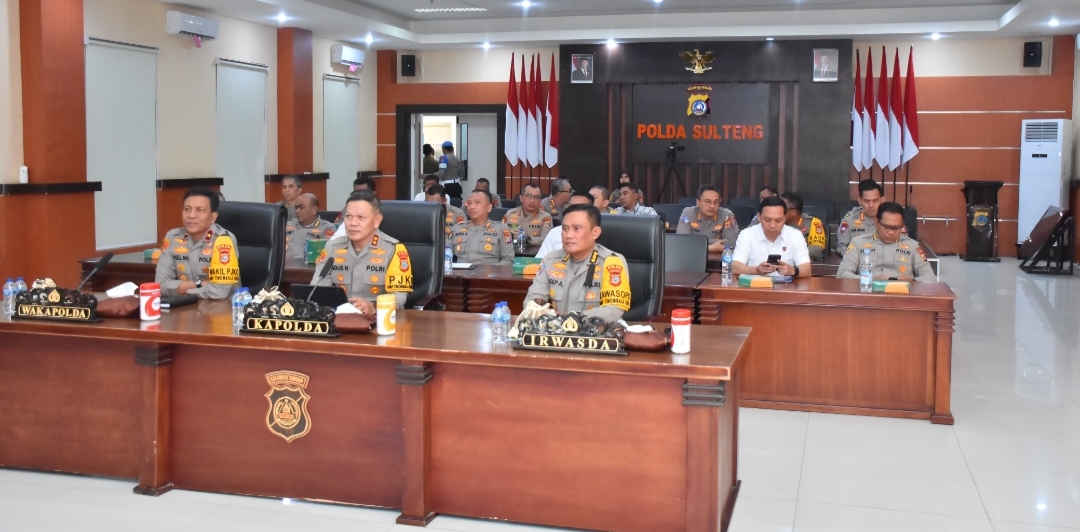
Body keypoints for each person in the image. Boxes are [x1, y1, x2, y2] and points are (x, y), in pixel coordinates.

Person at [525, 204, 631, 323]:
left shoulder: (612, 262)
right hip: (555, 332)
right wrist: (543, 314)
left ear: (595, 232)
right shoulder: (551, 260)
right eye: (565, 229)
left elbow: (613, 309)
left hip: (595, 335)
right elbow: (531, 301)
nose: (568, 235)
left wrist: (573, 319)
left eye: (576, 228)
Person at [312, 191, 412, 313]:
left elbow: (399, 296)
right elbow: (317, 290)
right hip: (340, 319)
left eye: (361, 217)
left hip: (380, 319)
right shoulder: (332, 247)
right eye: (348, 216)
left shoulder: (394, 249)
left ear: (377, 220)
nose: (353, 223)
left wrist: (374, 306)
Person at [156, 187, 240, 299]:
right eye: (187, 209)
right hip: (184, 309)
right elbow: (160, 286)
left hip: (222, 309)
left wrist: (182, 290)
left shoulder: (224, 239)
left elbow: (219, 292)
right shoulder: (172, 238)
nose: (191, 215)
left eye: (200, 210)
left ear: (213, 217)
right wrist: (199, 283)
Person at [837, 202, 934, 282]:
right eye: (886, 227)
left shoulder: (912, 246)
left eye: (896, 228)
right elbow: (841, 274)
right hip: (869, 295)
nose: (891, 232)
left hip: (902, 297)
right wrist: (869, 279)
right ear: (876, 222)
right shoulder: (858, 243)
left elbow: (930, 277)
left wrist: (912, 281)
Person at [730, 196, 811, 278]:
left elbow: (807, 269)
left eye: (778, 221)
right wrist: (756, 270)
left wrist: (793, 270)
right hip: (755, 288)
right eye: (767, 220)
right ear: (759, 217)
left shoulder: (796, 236)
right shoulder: (747, 235)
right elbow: (735, 267)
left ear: (785, 218)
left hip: (786, 288)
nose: (772, 225)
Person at [450, 189, 514, 265]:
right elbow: (444, 255)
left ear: (489, 207)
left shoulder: (501, 229)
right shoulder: (457, 228)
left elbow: (508, 260)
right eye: (469, 203)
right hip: (459, 275)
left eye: (477, 203)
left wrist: (486, 270)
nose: (472, 207)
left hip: (487, 275)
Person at [837, 179, 897, 255]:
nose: (871, 205)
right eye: (867, 201)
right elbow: (841, 247)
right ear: (860, 200)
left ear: (882, 200)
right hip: (858, 264)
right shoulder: (849, 220)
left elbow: (903, 246)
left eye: (875, 201)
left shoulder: (894, 220)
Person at [676, 184, 739, 252]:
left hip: (718, 260)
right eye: (707, 201)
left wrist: (694, 241)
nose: (712, 206)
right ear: (698, 202)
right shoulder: (688, 213)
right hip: (692, 258)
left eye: (716, 202)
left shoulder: (727, 215)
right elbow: (681, 241)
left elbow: (732, 243)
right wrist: (709, 248)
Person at [535, 192, 594, 257]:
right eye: (570, 206)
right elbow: (540, 261)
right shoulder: (555, 232)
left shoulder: (594, 232)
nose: (573, 210)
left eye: (579, 207)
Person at [285, 193, 335, 260]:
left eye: (301, 207)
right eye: (296, 207)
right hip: (285, 267)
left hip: (311, 269)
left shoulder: (327, 228)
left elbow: (327, 255)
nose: (297, 211)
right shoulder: (287, 226)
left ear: (314, 210)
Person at [780, 192, 826, 260]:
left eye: (781, 208)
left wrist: (788, 254)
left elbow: (817, 249)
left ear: (793, 212)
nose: (777, 210)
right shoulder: (773, 223)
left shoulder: (812, 223)